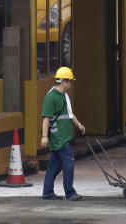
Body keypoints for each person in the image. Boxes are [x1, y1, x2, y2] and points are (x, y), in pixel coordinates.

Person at [40, 66, 85, 201]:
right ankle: (70, 192)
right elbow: (46, 118)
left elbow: (70, 115)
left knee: (55, 164)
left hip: (63, 136)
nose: (71, 84)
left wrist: (79, 125)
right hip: (57, 136)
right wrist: (44, 136)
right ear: (64, 82)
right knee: (69, 159)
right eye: (70, 81)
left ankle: (47, 192)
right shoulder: (51, 97)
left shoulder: (65, 96)